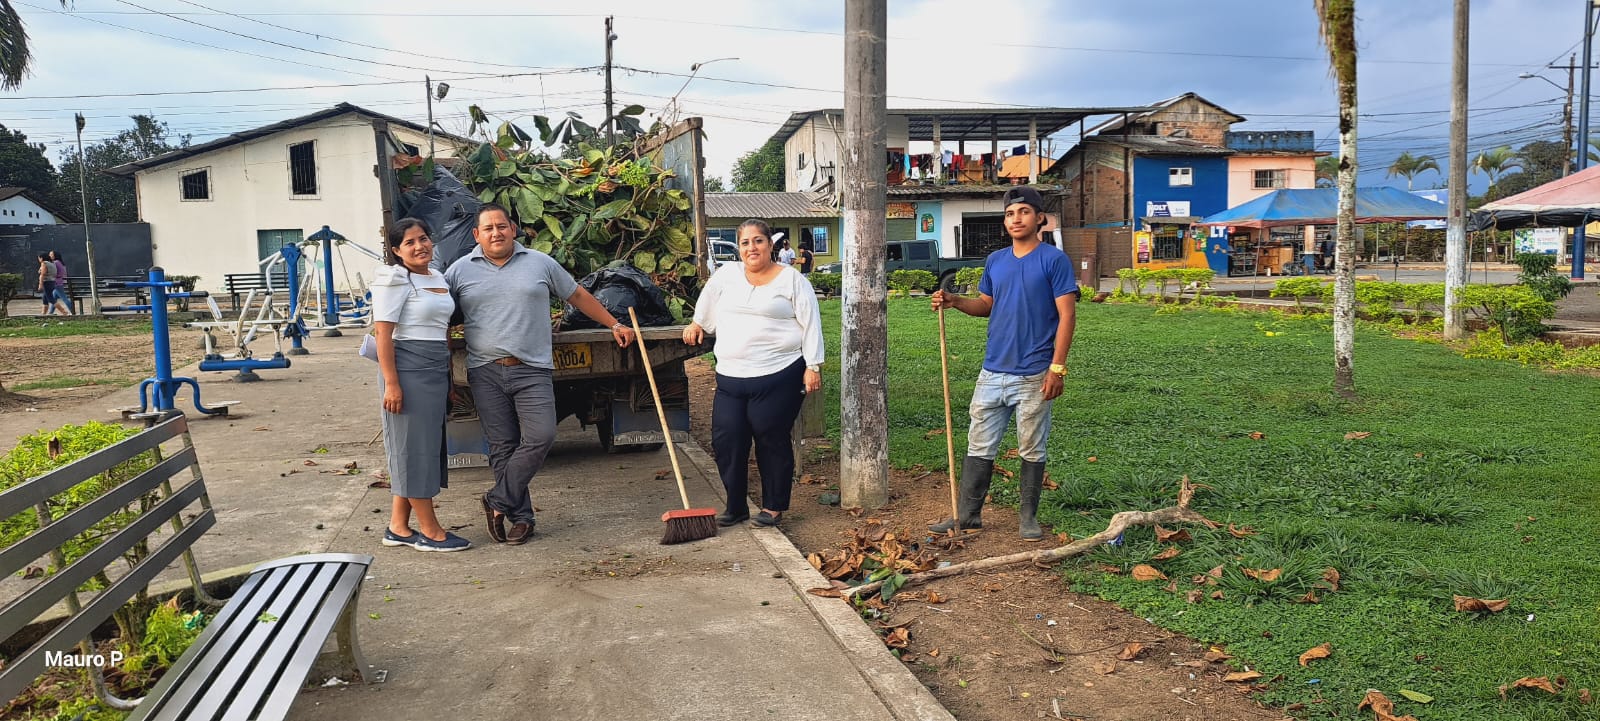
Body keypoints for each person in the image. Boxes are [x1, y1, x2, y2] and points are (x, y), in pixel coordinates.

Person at [446, 203, 636, 546]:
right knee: (503, 446)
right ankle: (521, 518)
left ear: (513, 229)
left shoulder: (539, 262)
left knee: (541, 436)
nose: (496, 233)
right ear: (476, 235)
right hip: (485, 370)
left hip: (532, 368)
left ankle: (497, 500)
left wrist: (614, 324)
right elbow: (437, 311)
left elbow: (576, 294)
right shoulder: (459, 271)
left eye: (501, 226)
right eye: (488, 228)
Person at [928, 186, 1077, 541]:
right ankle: (968, 515)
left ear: (1040, 218)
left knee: (1031, 446)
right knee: (979, 443)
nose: (1016, 219)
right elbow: (986, 305)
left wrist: (1057, 368)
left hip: (1035, 373)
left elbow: (1067, 316)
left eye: (1024, 212)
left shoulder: (1054, 260)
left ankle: (1028, 517)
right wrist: (954, 301)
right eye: (1010, 214)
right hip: (993, 371)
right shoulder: (996, 261)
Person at [683, 218, 824, 528]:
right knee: (727, 438)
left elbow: (811, 322)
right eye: (745, 243)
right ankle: (736, 506)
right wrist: (697, 323)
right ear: (739, 248)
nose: (752, 248)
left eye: (758, 241)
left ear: (770, 245)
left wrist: (813, 366)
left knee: (769, 435)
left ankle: (773, 507)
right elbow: (708, 301)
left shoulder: (792, 280)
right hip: (731, 375)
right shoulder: (727, 275)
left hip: (779, 372)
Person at [371, 218, 471, 552]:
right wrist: (392, 383)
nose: (419, 246)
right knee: (412, 450)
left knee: (422, 446)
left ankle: (398, 527)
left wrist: (448, 376)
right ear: (397, 251)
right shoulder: (395, 279)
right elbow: (383, 333)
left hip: (434, 368)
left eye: (423, 238)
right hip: (408, 370)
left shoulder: (438, 277)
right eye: (410, 242)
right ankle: (431, 532)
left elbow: (443, 328)